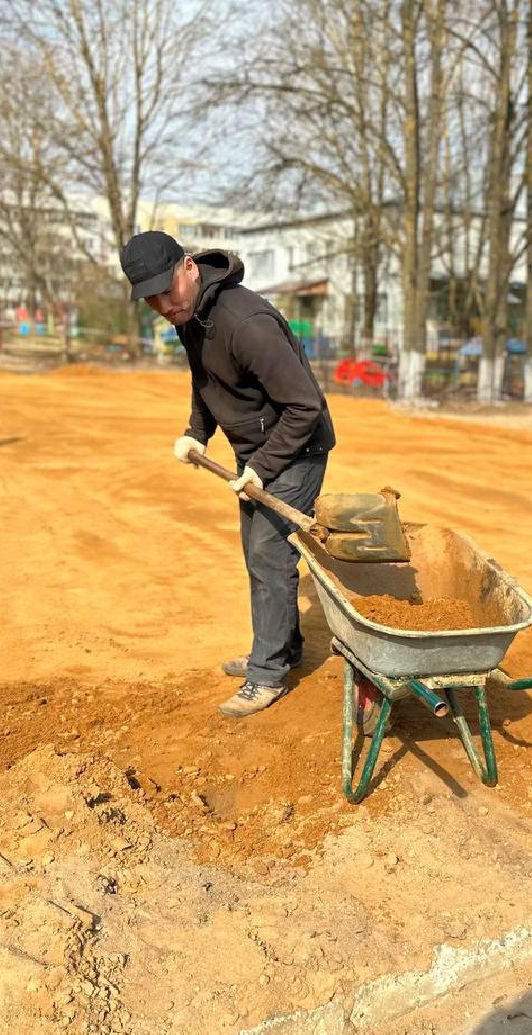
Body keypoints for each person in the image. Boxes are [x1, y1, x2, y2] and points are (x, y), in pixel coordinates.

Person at [119, 231, 336, 719]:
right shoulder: (190, 315)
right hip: (256, 447)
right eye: (150, 296)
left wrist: (261, 467)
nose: (162, 304)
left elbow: (304, 407)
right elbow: (207, 379)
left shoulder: (246, 322)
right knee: (260, 555)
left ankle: (268, 673)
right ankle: (281, 648)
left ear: (190, 266)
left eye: (166, 288)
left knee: (270, 556)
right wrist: (197, 431)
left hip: (295, 448)